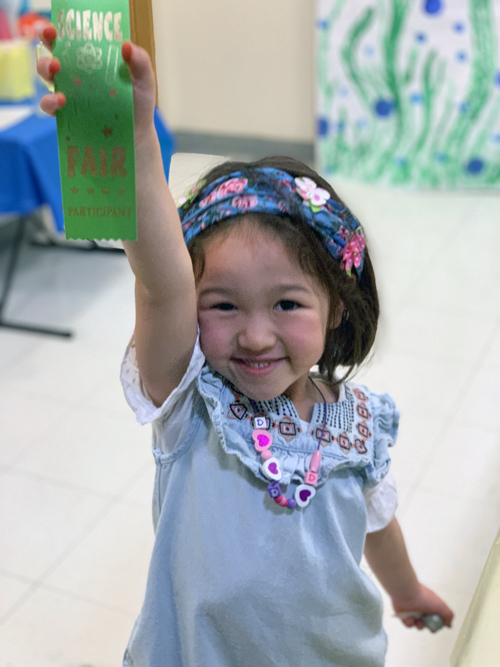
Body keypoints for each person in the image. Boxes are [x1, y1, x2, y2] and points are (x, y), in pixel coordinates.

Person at [38, 26, 454, 667]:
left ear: (336, 305)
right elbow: (162, 283)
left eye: (287, 304)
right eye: (223, 305)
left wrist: (406, 589)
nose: (255, 335)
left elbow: (375, 523)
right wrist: (138, 143)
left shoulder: (361, 425)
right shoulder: (190, 404)